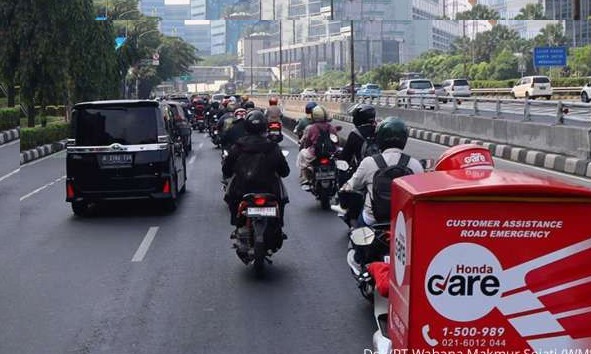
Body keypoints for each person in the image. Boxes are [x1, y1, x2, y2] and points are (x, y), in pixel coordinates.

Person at [340, 117, 424, 226]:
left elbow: (353, 185)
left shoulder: (369, 162)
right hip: (404, 220)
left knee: (356, 234)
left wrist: (344, 188)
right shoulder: (415, 164)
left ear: (380, 138)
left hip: (373, 218)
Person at [222, 110, 290, 229]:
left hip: (242, 189)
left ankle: (237, 223)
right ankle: (278, 225)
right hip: (269, 189)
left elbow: (227, 169)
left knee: (230, 195)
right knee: (282, 195)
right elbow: (285, 172)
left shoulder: (238, 146)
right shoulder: (272, 146)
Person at [296, 105, 339, 189]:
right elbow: (337, 141)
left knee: (301, 154)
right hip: (330, 153)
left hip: (315, 153)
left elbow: (308, 142)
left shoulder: (312, 128)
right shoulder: (331, 127)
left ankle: (305, 179)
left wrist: (306, 148)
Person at [339, 104, 378, 170]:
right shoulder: (379, 131)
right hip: (381, 170)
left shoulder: (355, 133)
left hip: (362, 170)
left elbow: (345, 156)